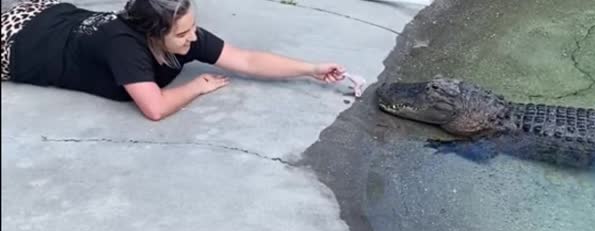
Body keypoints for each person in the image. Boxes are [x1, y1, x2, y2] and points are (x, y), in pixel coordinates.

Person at [1, 0, 347, 120]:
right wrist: (197, 85)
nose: (194, 39)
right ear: (153, 33)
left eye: (193, 27)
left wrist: (311, 68)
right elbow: (154, 108)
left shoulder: (181, 31)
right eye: (183, 34)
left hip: (49, 12)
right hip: (15, 43)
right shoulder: (125, 46)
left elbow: (247, 59)